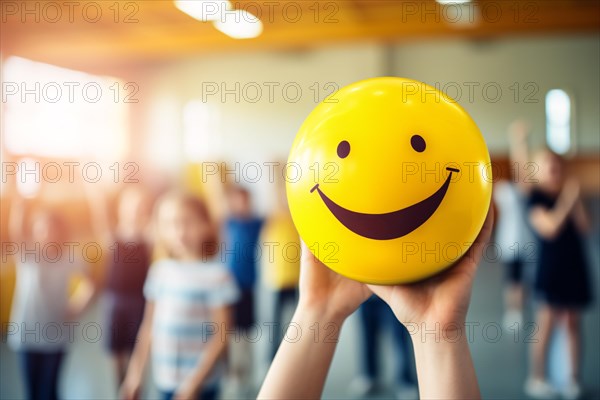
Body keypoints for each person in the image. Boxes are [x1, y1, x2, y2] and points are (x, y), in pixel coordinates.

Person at [258, 206, 494, 400]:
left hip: (404, 272)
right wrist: (318, 307)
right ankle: (371, 373)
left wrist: (437, 331)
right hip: (359, 270)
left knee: (394, 334)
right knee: (368, 332)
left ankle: (403, 378)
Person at [120, 191, 239, 400]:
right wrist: (135, 373)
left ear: (206, 224)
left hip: (200, 386)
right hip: (165, 379)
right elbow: (149, 325)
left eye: (187, 222)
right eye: (169, 224)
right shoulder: (160, 271)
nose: (179, 231)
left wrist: (193, 384)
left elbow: (221, 336)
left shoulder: (217, 275)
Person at [8, 191, 96, 400]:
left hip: (56, 335)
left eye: (51, 228)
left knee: (50, 391)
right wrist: (20, 204)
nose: (47, 233)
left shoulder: (70, 257)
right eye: (42, 228)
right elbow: (15, 231)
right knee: (32, 392)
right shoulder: (27, 252)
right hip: (27, 333)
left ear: (60, 231)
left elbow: (91, 284)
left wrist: (77, 307)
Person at [524, 150, 591, 400]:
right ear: (537, 169)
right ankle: (537, 377)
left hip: (573, 265)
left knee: (572, 322)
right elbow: (550, 228)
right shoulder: (535, 197)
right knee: (546, 324)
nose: (553, 167)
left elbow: (585, 227)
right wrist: (567, 200)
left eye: (555, 163)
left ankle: (572, 378)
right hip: (549, 269)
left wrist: (576, 201)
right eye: (546, 163)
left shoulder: (571, 194)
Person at [86, 185, 152, 384]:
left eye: (139, 206)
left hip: (139, 301)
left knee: (136, 348)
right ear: (122, 208)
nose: (134, 210)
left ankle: (133, 383)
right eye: (130, 205)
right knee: (115, 350)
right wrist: (95, 195)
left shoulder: (147, 237)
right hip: (114, 300)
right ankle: (120, 385)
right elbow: (100, 215)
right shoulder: (112, 236)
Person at [494, 120, 536, 329]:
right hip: (511, 243)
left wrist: (520, 142)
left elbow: (523, 176)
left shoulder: (524, 190)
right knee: (513, 280)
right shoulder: (503, 191)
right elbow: (521, 176)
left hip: (527, 241)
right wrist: (518, 141)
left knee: (525, 278)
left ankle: (522, 305)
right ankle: (513, 312)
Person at [222, 184, 263, 392]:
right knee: (231, 334)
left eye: (245, 200)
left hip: (247, 287)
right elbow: (216, 196)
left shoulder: (255, 223)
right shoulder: (228, 222)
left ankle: (247, 375)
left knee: (246, 334)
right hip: (228, 287)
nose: (241, 204)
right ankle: (234, 375)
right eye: (237, 200)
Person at [350, 296, 417, 398]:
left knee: (399, 339)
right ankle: (369, 375)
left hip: (394, 291)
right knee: (367, 335)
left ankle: (405, 380)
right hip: (366, 295)